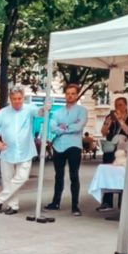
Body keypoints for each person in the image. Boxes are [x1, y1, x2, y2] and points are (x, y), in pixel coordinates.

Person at [0, 85, 41, 215]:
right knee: (7, 179)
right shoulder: (3, 112)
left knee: (22, 177)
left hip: (26, 150)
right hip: (7, 150)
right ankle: (13, 205)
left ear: (23, 98)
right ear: (10, 99)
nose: (17, 101)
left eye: (19, 98)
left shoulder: (29, 109)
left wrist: (46, 108)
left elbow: (40, 112)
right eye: (14, 99)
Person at [45, 83, 87, 216]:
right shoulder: (58, 112)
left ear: (77, 95)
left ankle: (75, 206)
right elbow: (52, 127)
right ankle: (55, 202)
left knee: (74, 175)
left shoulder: (82, 110)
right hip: (59, 145)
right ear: (65, 95)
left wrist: (63, 127)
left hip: (74, 145)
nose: (70, 96)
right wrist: (68, 127)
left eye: (73, 93)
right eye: (68, 93)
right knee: (58, 175)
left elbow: (79, 127)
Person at [97, 96, 128, 212]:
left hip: (123, 150)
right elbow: (103, 132)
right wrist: (107, 123)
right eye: (116, 105)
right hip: (111, 149)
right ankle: (107, 201)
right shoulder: (110, 117)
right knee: (109, 174)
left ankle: (123, 201)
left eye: (121, 105)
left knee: (123, 175)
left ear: (126, 106)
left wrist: (121, 120)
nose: (118, 108)